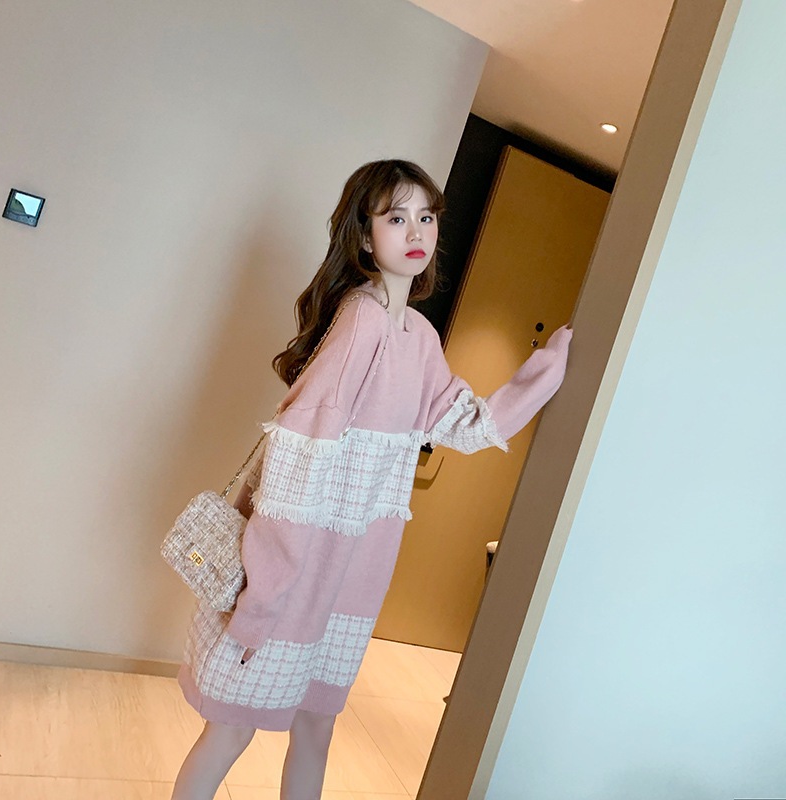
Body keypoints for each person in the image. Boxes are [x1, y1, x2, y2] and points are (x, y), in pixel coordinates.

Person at [171, 159, 573, 799]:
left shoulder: (419, 335)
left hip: (349, 587)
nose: (416, 232)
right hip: (292, 584)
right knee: (232, 731)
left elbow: (468, 425)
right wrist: (262, 604)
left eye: (427, 217)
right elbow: (296, 476)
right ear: (363, 235)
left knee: (315, 729)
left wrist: (552, 366)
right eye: (395, 217)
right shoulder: (360, 321)